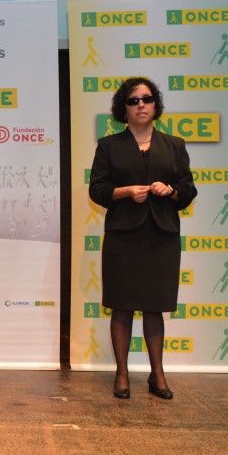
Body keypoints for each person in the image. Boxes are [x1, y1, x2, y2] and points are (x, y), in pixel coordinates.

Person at [88, 77, 196, 400]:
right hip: (123, 237)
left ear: (155, 104)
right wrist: (123, 192)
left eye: (146, 99)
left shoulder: (174, 145)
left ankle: (157, 375)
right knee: (122, 307)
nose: (141, 106)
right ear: (124, 108)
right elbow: (97, 189)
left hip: (162, 235)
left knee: (154, 307)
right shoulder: (109, 146)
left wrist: (172, 190)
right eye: (133, 101)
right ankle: (121, 373)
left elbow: (188, 189)